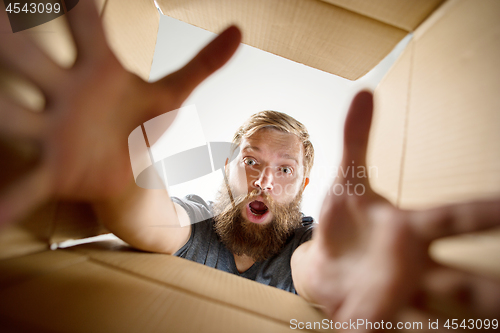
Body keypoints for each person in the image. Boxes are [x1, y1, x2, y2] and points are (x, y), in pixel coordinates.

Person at [1, 1, 499, 331]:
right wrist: (116, 168)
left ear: (304, 184)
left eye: (285, 169)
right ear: (226, 167)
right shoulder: (200, 223)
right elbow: (148, 220)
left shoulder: (311, 245)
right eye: (251, 161)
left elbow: (315, 268)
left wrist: (338, 274)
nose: (264, 178)